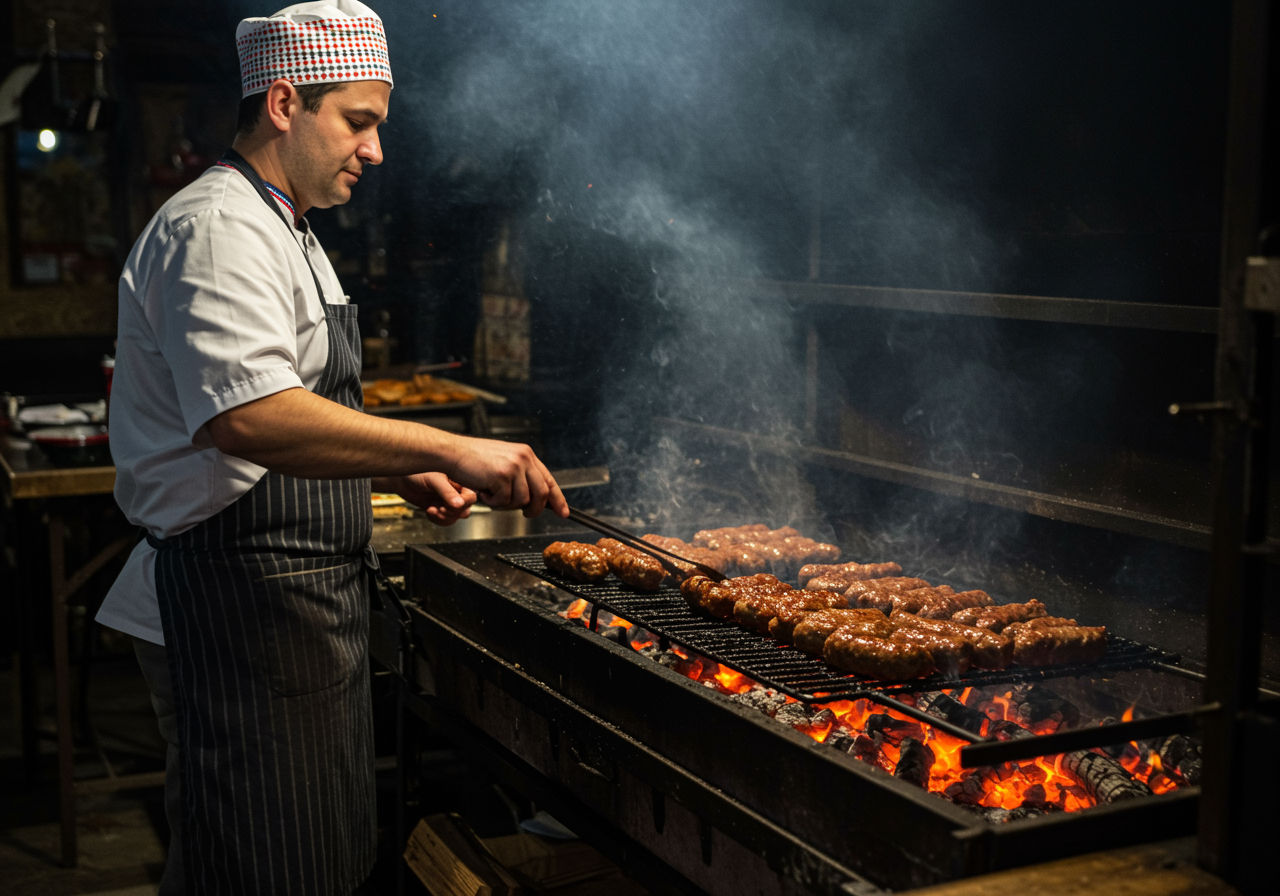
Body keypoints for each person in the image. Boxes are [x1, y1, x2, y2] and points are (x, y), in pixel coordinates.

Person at [94, 2, 568, 892]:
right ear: (283, 102)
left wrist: (399, 462)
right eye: (359, 121)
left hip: (294, 608)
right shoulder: (220, 229)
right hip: (240, 609)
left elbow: (295, 397)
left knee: (298, 858)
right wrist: (451, 447)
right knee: (265, 866)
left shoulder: (288, 227)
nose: (376, 151)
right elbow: (250, 416)